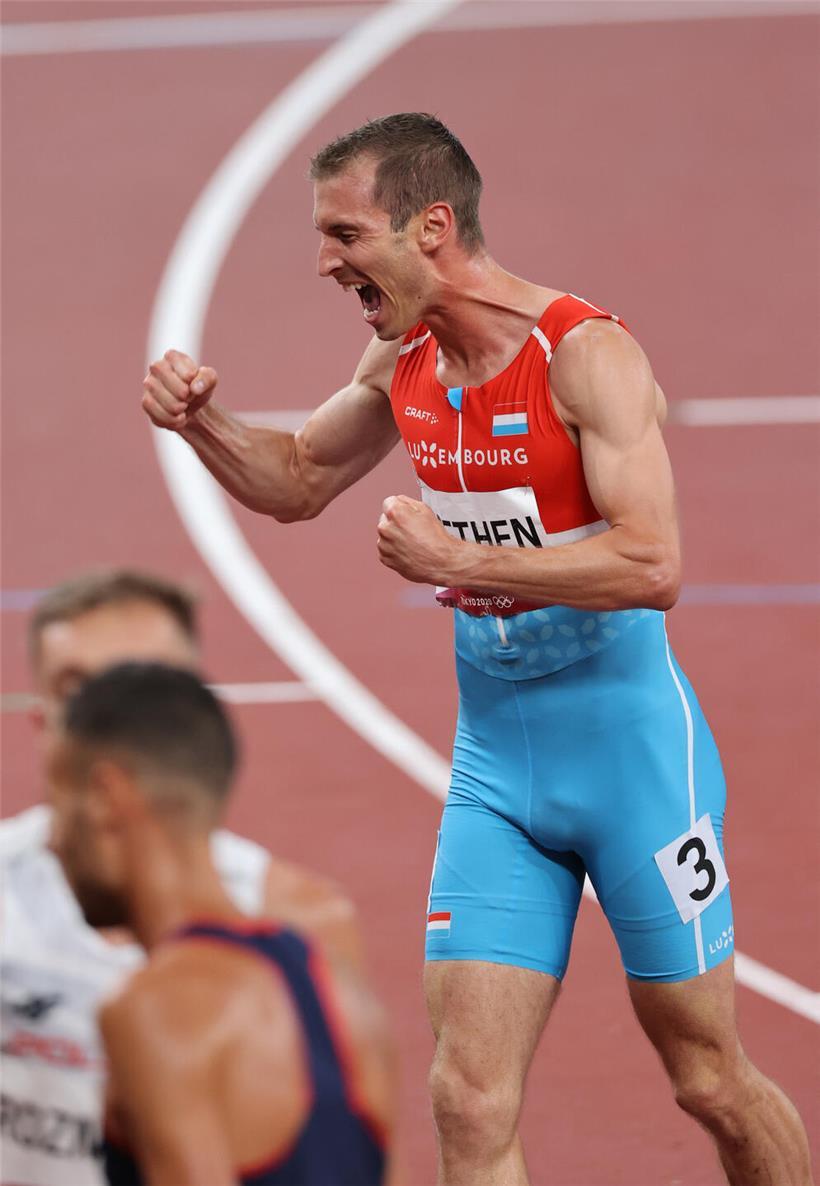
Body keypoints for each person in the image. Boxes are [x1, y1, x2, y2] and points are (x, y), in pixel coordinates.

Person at [141, 113, 811, 1185]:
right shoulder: (405, 353)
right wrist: (201, 426)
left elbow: (652, 565)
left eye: (347, 234)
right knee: (466, 1095)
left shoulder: (583, 355)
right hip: (498, 773)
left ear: (432, 227)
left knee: (709, 1078)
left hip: (635, 761)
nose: (328, 262)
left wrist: (464, 555)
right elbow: (302, 480)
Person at [0, 569, 364, 1186]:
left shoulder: (304, 920)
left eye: (139, 692)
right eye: (79, 693)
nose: (111, 728)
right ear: (43, 720)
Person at [48, 662, 394, 1186]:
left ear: (105, 797)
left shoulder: (155, 1009)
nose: (53, 841)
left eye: (60, 805)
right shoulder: (338, 989)